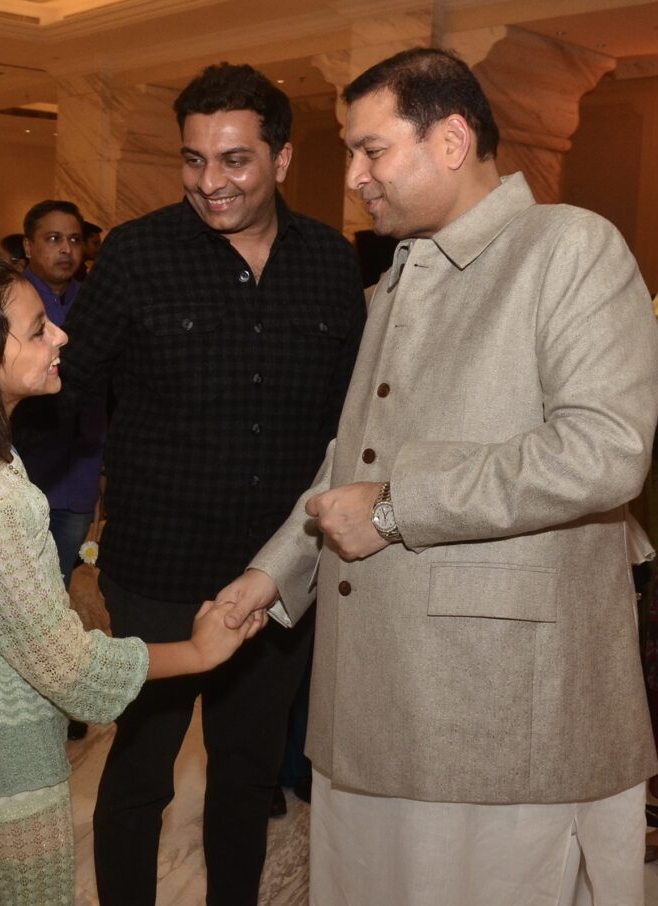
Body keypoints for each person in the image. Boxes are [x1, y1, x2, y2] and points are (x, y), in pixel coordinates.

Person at [216, 47, 658, 906]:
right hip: (371, 702)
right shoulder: (395, 279)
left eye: (371, 150)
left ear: (451, 140)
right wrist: (272, 572)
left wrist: (393, 510)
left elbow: (605, 450)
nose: (352, 176)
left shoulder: (569, 246)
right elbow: (351, 461)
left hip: (498, 709)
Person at [52, 62, 366, 905]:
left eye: (234, 161)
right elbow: (67, 385)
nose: (210, 183)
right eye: (194, 160)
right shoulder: (138, 255)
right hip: (156, 566)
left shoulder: (331, 266)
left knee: (247, 775)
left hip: (279, 567)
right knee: (142, 772)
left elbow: (354, 425)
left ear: (284, 158)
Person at [0, 256, 261, 905]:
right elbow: (73, 672)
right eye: (38, 330)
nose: (61, 335)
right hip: (4, 756)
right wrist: (201, 651)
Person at [14, 200, 106, 588]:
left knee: (59, 587)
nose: (66, 249)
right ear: (28, 246)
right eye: (53, 239)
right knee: (17, 590)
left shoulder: (99, 303)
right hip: (26, 473)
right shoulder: (9, 302)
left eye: (73, 239)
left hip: (81, 472)